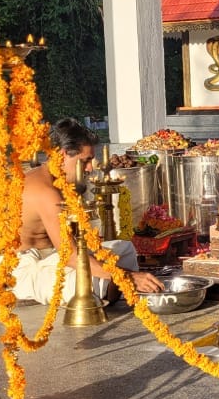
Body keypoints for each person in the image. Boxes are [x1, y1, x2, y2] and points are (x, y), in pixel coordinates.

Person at [12, 117, 163, 304]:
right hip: (25, 268)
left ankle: (111, 287)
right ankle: (113, 287)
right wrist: (127, 276)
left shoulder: (62, 182)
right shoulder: (46, 192)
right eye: (86, 161)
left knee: (124, 249)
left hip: (55, 257)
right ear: (63, 155)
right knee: (80, 283)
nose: (91, 168)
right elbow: (71, 256)